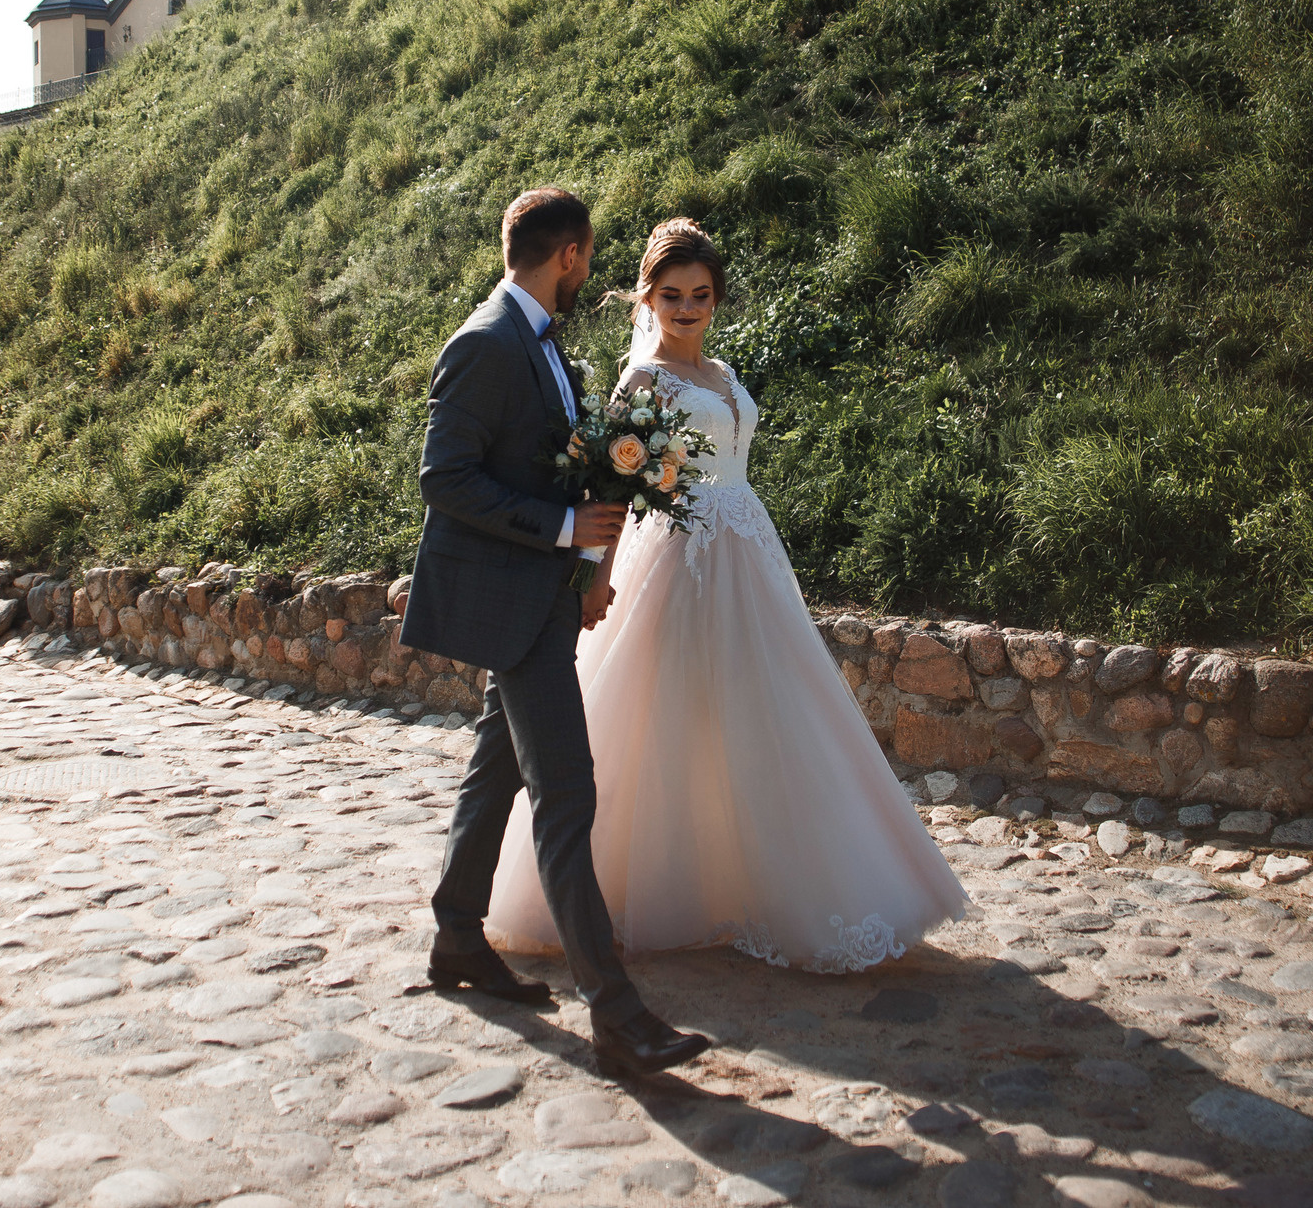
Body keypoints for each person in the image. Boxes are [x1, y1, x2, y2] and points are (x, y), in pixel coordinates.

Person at [484, 217, 971, 972]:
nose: (687, 309)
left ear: (716, 299)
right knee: (664, 720)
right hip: (683, 563)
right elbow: (610, 488)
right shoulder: (643, 380)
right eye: (672, 295)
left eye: (701, 295)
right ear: (648, 297)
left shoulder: (721, 371)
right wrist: (596, 579)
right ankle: (631, 891)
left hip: (750, 555)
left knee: (771, 714)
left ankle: (768, 881)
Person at [402, 187, 714, 1077]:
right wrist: (561, 529)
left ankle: (459, 935)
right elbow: (445, 479)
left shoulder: (538, 339)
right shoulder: (486, 341)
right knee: (566, 795)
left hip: (538, 600)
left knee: (497, 765)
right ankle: (617, 1016)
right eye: (590, 257)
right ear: (570, 254)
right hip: (516, 599)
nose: (589, 270)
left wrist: (583, 537)